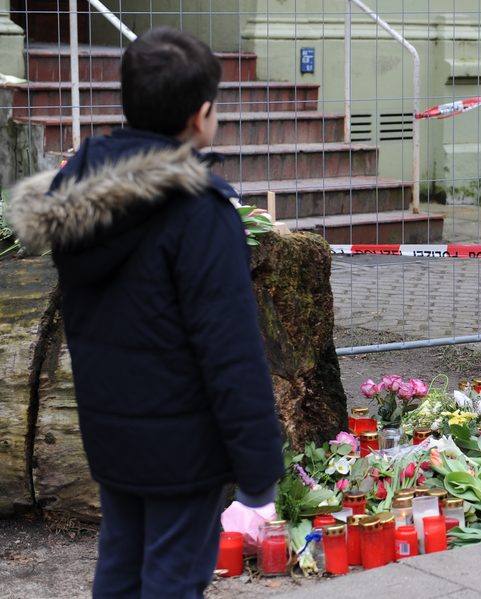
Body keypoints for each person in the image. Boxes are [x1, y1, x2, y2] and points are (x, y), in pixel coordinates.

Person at [7, 27, 283, 598]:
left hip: (112, 436)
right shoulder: (200, 213)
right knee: (171, 582)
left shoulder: (79, 194)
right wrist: (259, 474)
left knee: (121, 570)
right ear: (202, 116)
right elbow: (231, 352)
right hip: (183, 449)